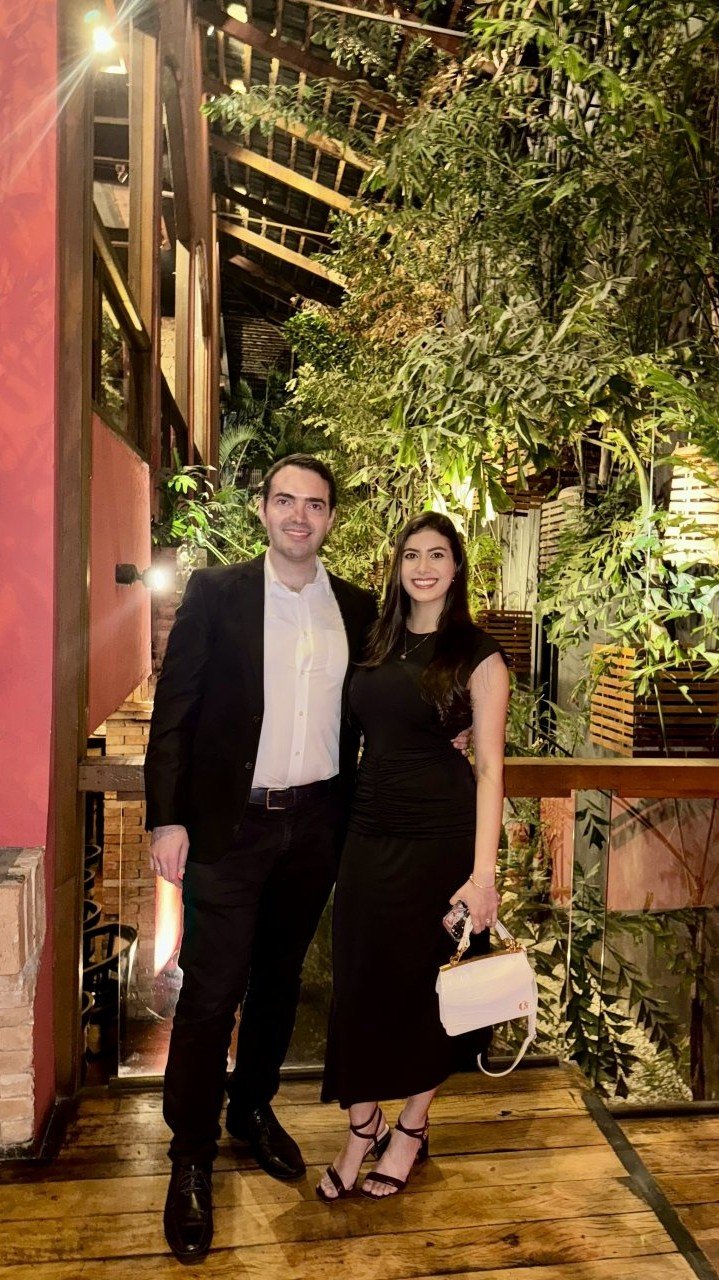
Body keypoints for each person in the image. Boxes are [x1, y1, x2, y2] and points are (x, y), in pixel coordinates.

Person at [144, 455, 378, 1263]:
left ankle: (251, 1108)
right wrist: (166, 819)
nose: (299, 516)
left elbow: (385, 704)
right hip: (229, 827)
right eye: (286, 501)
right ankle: (190, 1155)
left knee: (280, 983)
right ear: (262, 509)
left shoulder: (357, 607)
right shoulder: (216, 593)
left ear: (331, 518)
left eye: (314, 504)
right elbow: (174, 711)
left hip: (316, 826)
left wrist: (450, 728)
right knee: (212, 993)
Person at [317, 511, 510, 1202]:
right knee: (360, 981)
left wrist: (482, 876)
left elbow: (490, 769)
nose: (423, 567)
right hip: (368, 832)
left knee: (428, 988)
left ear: (457, 567)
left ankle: (410, 1127)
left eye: (437, 555)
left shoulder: (478, 655)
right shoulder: (375, 641)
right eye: (411, 555)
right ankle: (360, 1122)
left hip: (440, 839)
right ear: (396, 567)